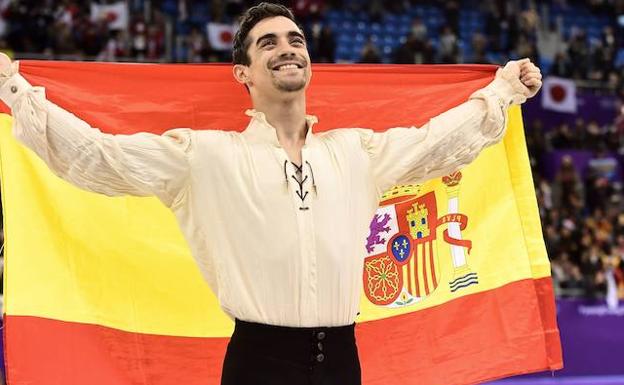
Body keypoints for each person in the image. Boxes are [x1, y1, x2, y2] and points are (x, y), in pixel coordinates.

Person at [0, 3, 542, 385]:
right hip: (258, 363)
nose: (287, 49)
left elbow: (437, 143)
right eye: (269, 43)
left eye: (296, 40)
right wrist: (13, 89)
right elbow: (100, 157)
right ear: (243, 72)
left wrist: (502, 91)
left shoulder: (357, 152)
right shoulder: (203, 156)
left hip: (343, 364)